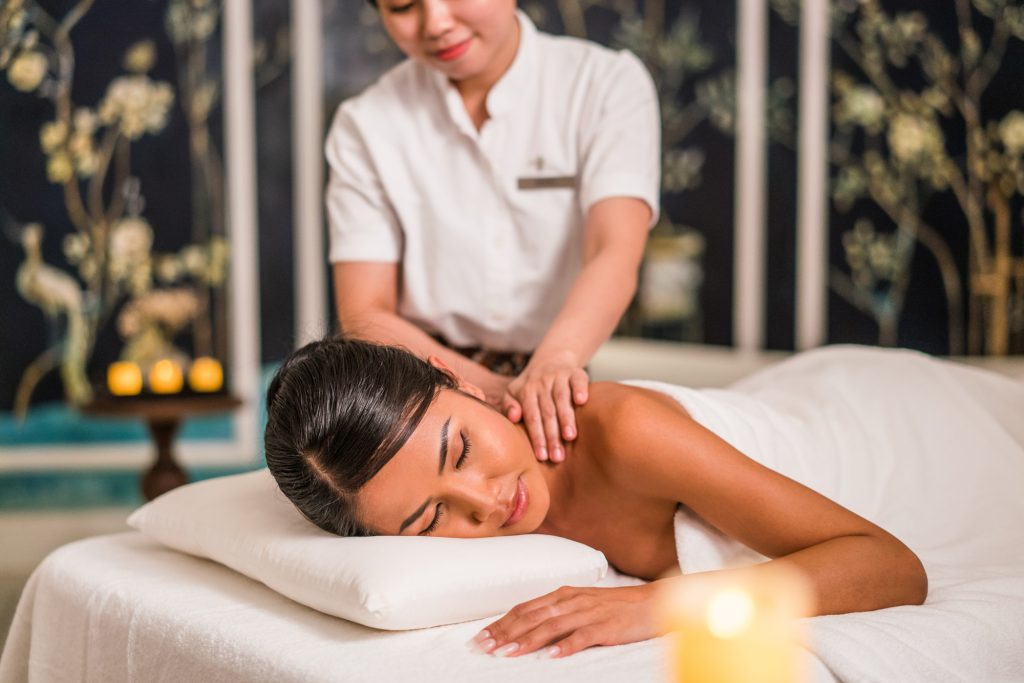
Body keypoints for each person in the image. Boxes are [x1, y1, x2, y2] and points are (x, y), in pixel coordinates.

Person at [263, 337, 1024, 658]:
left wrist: (661, 606)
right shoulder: (463, 535)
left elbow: (890, 566)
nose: (486, 503)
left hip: (898, 432)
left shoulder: (624, 432)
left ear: (457, 378)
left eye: (460, 447)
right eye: (431, 519)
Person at [326, 0, 660, 465]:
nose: (436, 23)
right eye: (402, 5)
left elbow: (614, 251)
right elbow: (365, 312)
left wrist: (551, 367)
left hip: (557, 375)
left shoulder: (603, 85)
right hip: (420, 386)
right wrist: (500, 394)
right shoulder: (366, 124)